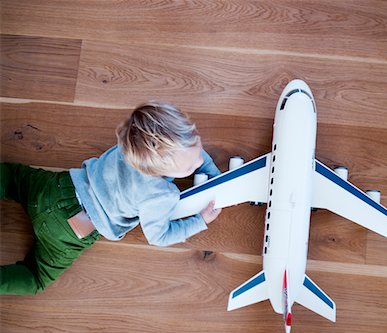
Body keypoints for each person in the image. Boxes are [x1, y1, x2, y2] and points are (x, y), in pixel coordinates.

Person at [0, 101, 222, 295]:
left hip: (57, 188)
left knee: (11, 177)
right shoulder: (161, 195)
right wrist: (199, 221)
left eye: (198, 145)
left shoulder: (134, 142)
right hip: (68, 231)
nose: (199, 160)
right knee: (36, 277)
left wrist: (212, 172)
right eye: (189, 166)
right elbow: (159, 236)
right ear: (159, 171)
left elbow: (189, 152)